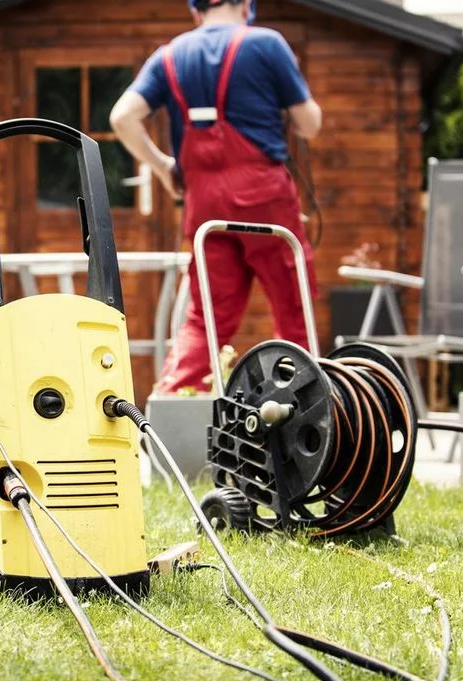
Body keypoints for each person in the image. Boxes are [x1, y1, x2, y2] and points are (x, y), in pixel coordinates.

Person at [109, 0, 322, 394]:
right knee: (295, 310)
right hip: (265, 201)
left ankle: (169, 407)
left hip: (204, 205)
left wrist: (163, 167)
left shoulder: (169, 56)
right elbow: (309, 125)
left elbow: (122, 117)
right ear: (246, 5)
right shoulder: (266, 44)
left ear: (195, 11)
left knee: (205, 319)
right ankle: (303, 407)